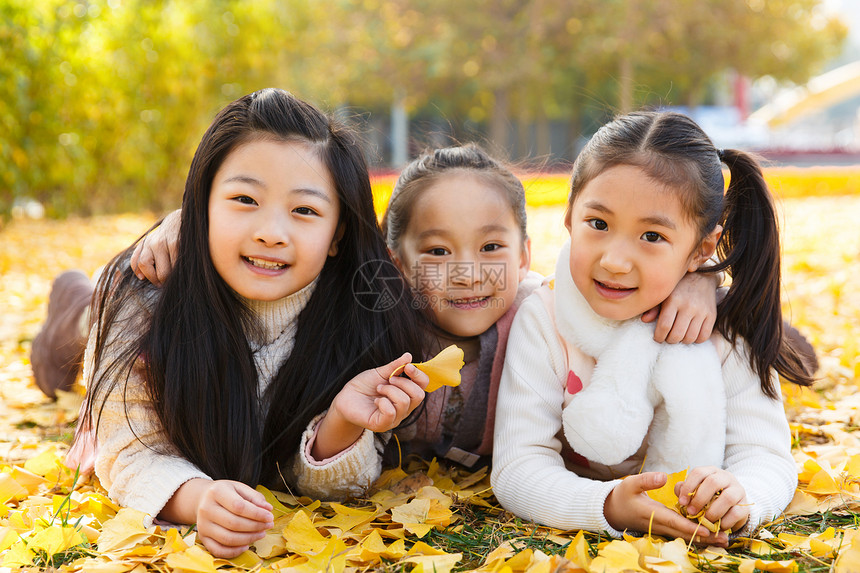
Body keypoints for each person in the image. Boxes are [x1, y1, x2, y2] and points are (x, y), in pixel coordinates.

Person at [68, 88, 430, 558]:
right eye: (244, 198)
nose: (271, 233)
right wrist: (195, 499)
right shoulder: (142, 299)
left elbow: (316, 480)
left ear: (338, 234)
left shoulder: (360, 313)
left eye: (305, 210)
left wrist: (340, 423)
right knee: (72, 334)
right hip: (105, 314)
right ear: (201, 204)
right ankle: (72, 296)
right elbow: (128, 450)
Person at [491, 111, 814, 546]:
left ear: (702, 249)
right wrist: (605, 505)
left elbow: (765, 456)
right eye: (598, 224)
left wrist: (744, 496)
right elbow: (518, 466)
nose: (615, 261)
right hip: (601, 499)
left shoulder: (726, 328)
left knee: (793, 356)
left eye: (652, 237)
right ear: (569, 218)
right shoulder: (544, 319)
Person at [379, 144, 721, 467]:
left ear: (524, 255)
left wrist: (700, 280)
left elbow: (633, 284)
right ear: (399, 263)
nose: (467, 276)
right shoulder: (379, 336)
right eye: (438, 252)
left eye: (491, 246)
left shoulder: (543, 312)